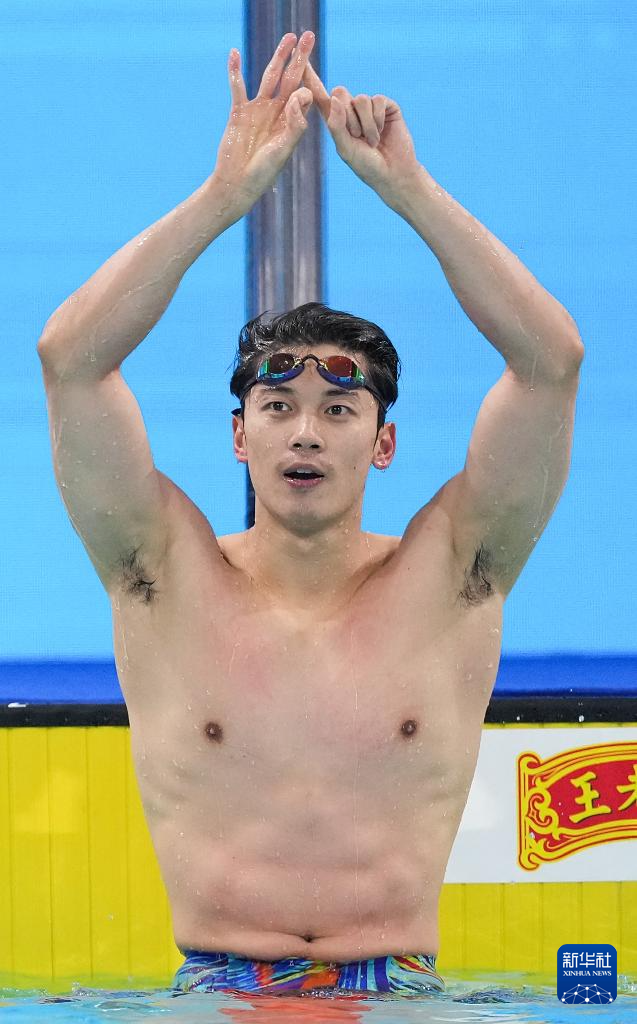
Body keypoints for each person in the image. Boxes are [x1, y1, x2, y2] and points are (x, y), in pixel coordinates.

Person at [37, 30, 584, 998]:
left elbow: (551, 363)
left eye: (338, 410)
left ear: (383, 443)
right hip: (213, 992)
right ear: (238, 435)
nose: (304, 433)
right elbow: (70, 361)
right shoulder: (159, 570)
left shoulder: (455, 572)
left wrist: (411, 193)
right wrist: (222, 198)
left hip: (402, 994)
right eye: (277, 407)